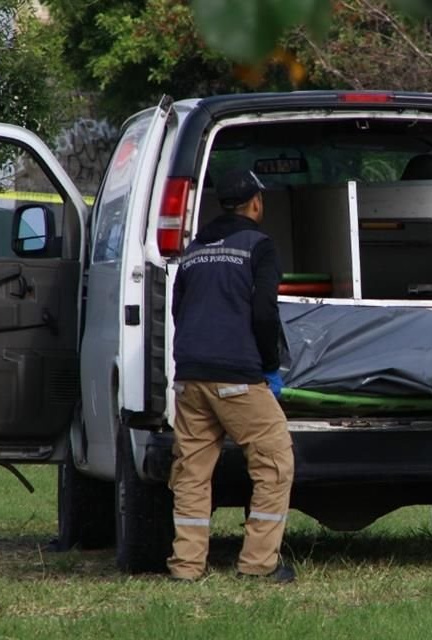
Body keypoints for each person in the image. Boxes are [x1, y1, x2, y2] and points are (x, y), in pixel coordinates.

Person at [167, 168, 295, 583]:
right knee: (275, 461)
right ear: (256, 202)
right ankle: (259, 564)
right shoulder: (259, 246)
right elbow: (264, 313)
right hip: (236, 375)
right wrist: (270, 367)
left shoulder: (194, 248)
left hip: (189, 374)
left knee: (192, 471)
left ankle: (187, 567)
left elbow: (177, 310)